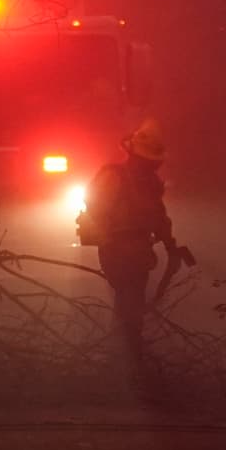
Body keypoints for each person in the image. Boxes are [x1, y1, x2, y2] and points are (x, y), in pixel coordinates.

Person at [79, 118, 178, 362]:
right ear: (135, 155)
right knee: (129, 298)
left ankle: (126, 349)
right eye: (149, 161)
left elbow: (159, 215)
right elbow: (94, 205)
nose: (152, 166)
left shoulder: (151, 183)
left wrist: (170, 243)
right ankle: (127, 351)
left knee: (131, 300)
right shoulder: (114, 176)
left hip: (139, 249)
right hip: (116, 248)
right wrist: (109, 233)